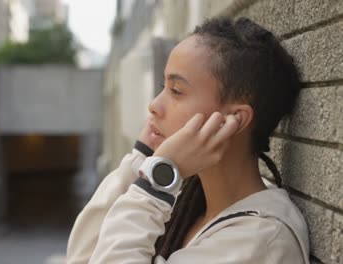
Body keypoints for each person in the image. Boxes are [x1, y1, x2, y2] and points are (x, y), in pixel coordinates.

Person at [67, 17, 309, 264]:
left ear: (233, 119)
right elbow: (82, 257)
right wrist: (143, 158)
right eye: (163, 86)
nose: (154, 105)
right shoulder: (188, 199)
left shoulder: (259, 240)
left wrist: (158, 179)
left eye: (176, 91)